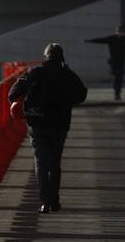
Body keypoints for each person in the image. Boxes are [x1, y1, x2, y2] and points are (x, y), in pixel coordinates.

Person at [7, 43, 87, 213]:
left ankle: (45, 202)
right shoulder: (68, 74)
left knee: (41, 162)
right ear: (61, 57)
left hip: (38, 123)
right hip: (60, 124)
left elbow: (13, 93)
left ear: (45, 57)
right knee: (55, 162)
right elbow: (81, 94)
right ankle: (55, 200)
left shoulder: (35, 72)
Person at [85, 26, 125, 100]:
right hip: (114, 62)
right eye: (118, 31)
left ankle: (118, 93)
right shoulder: (112, 38)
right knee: (116, 77)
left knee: (120, 78)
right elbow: (101, 40)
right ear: (116, 31)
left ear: (123, 32)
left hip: (122, 62)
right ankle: (116, 93)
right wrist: (89, 40)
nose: (119, 33)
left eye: (121, 31)